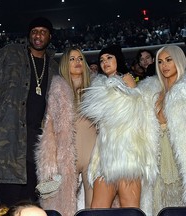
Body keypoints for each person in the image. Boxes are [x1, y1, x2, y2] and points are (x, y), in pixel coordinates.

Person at [0, 17, 59, 209]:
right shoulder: (10, 54)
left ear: (50, 36)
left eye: (43, 31)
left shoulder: (53, 66)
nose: (38, 35)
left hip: (37, 147)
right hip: (8, 144)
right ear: (29, 34)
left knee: (32, 206)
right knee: (6, 207)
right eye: (34, 31)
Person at [80, 44, 159, 213]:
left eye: (109, 58)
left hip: (128, 154)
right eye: (101, 60)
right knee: (97, 209)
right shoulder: (98, 86)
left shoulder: (127, 79)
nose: (104, 62)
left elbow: (134, 113)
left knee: (130, 209)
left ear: (118, 59)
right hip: (104, 156)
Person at [35, 47, 96, 216]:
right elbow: (49, 130)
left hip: (95, 158)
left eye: (80, 59)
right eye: (72, 59)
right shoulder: (58, 90)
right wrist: (50, 162)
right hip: (66, 158)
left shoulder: (96, 89)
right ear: (65, 64)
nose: (77, 62)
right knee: (65, 208)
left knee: (95, 209)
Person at [137, 45, 186, 216]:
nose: (163, 65)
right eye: (160, 61)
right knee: (158, 201)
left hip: (179, 152)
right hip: (157, 154)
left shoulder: (184, 90)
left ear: (179, 61)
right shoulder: (151, 91)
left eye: (168, 60)